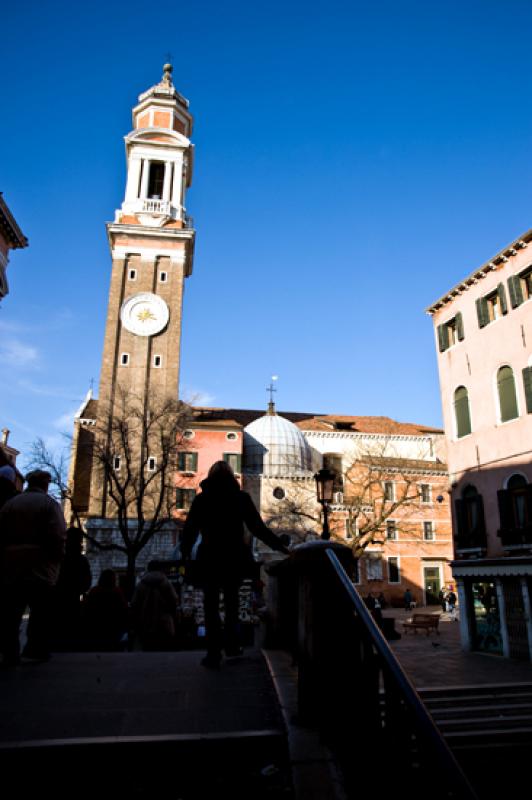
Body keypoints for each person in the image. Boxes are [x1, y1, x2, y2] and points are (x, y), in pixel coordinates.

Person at [180, 460, 289, 668]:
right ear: (231, 477)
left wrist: (186, 553)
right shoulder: (240, 498)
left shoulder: (202, 500)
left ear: (210, 477)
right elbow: (257, 528)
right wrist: (279, 546)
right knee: (232, 604)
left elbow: (190, 531)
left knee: (210, 605)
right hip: (233, 557)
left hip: (210, 557)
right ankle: (231, 645)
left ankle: (213, 652)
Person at [0, 469, 66, 665]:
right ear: (45, 484)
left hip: (11, 563)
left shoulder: (11, 504)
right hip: (40, 563)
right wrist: (56, 558)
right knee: (40, 610)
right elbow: (58, 533)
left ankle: (9, 651)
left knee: (12, 611)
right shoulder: (48, 504)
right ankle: (35, 649)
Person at [52, 527, 92, 651]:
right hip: (73, 600)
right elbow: (87, 582)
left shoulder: (58, 558)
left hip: (57, 601)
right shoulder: (81, 560)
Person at [131, 560, 178, 651]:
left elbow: (134, 604)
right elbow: (174, 601)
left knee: (147, 651)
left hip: (145, 623)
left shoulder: (141, 584)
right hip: (163, 623)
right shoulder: (166, 583)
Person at [81, 569, 128, 651]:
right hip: (113, 629)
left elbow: (86, 609)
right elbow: (123, 610)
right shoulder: (117, 592)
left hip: (95, 628)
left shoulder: (94, 591)